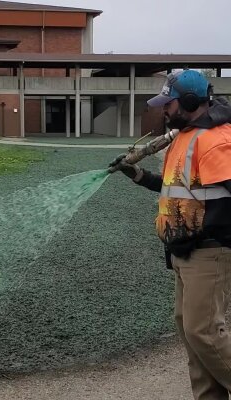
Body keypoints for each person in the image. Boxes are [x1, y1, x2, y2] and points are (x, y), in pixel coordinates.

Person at [109, 69, 231, 399]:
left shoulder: (216, 140)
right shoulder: (184, 137)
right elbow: (175, 189)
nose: (163, 109)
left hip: (209, 250)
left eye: (169, 103)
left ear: (190, 102)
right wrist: (136, 174)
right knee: (189, 330)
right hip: (182, 249)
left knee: (203, 331)